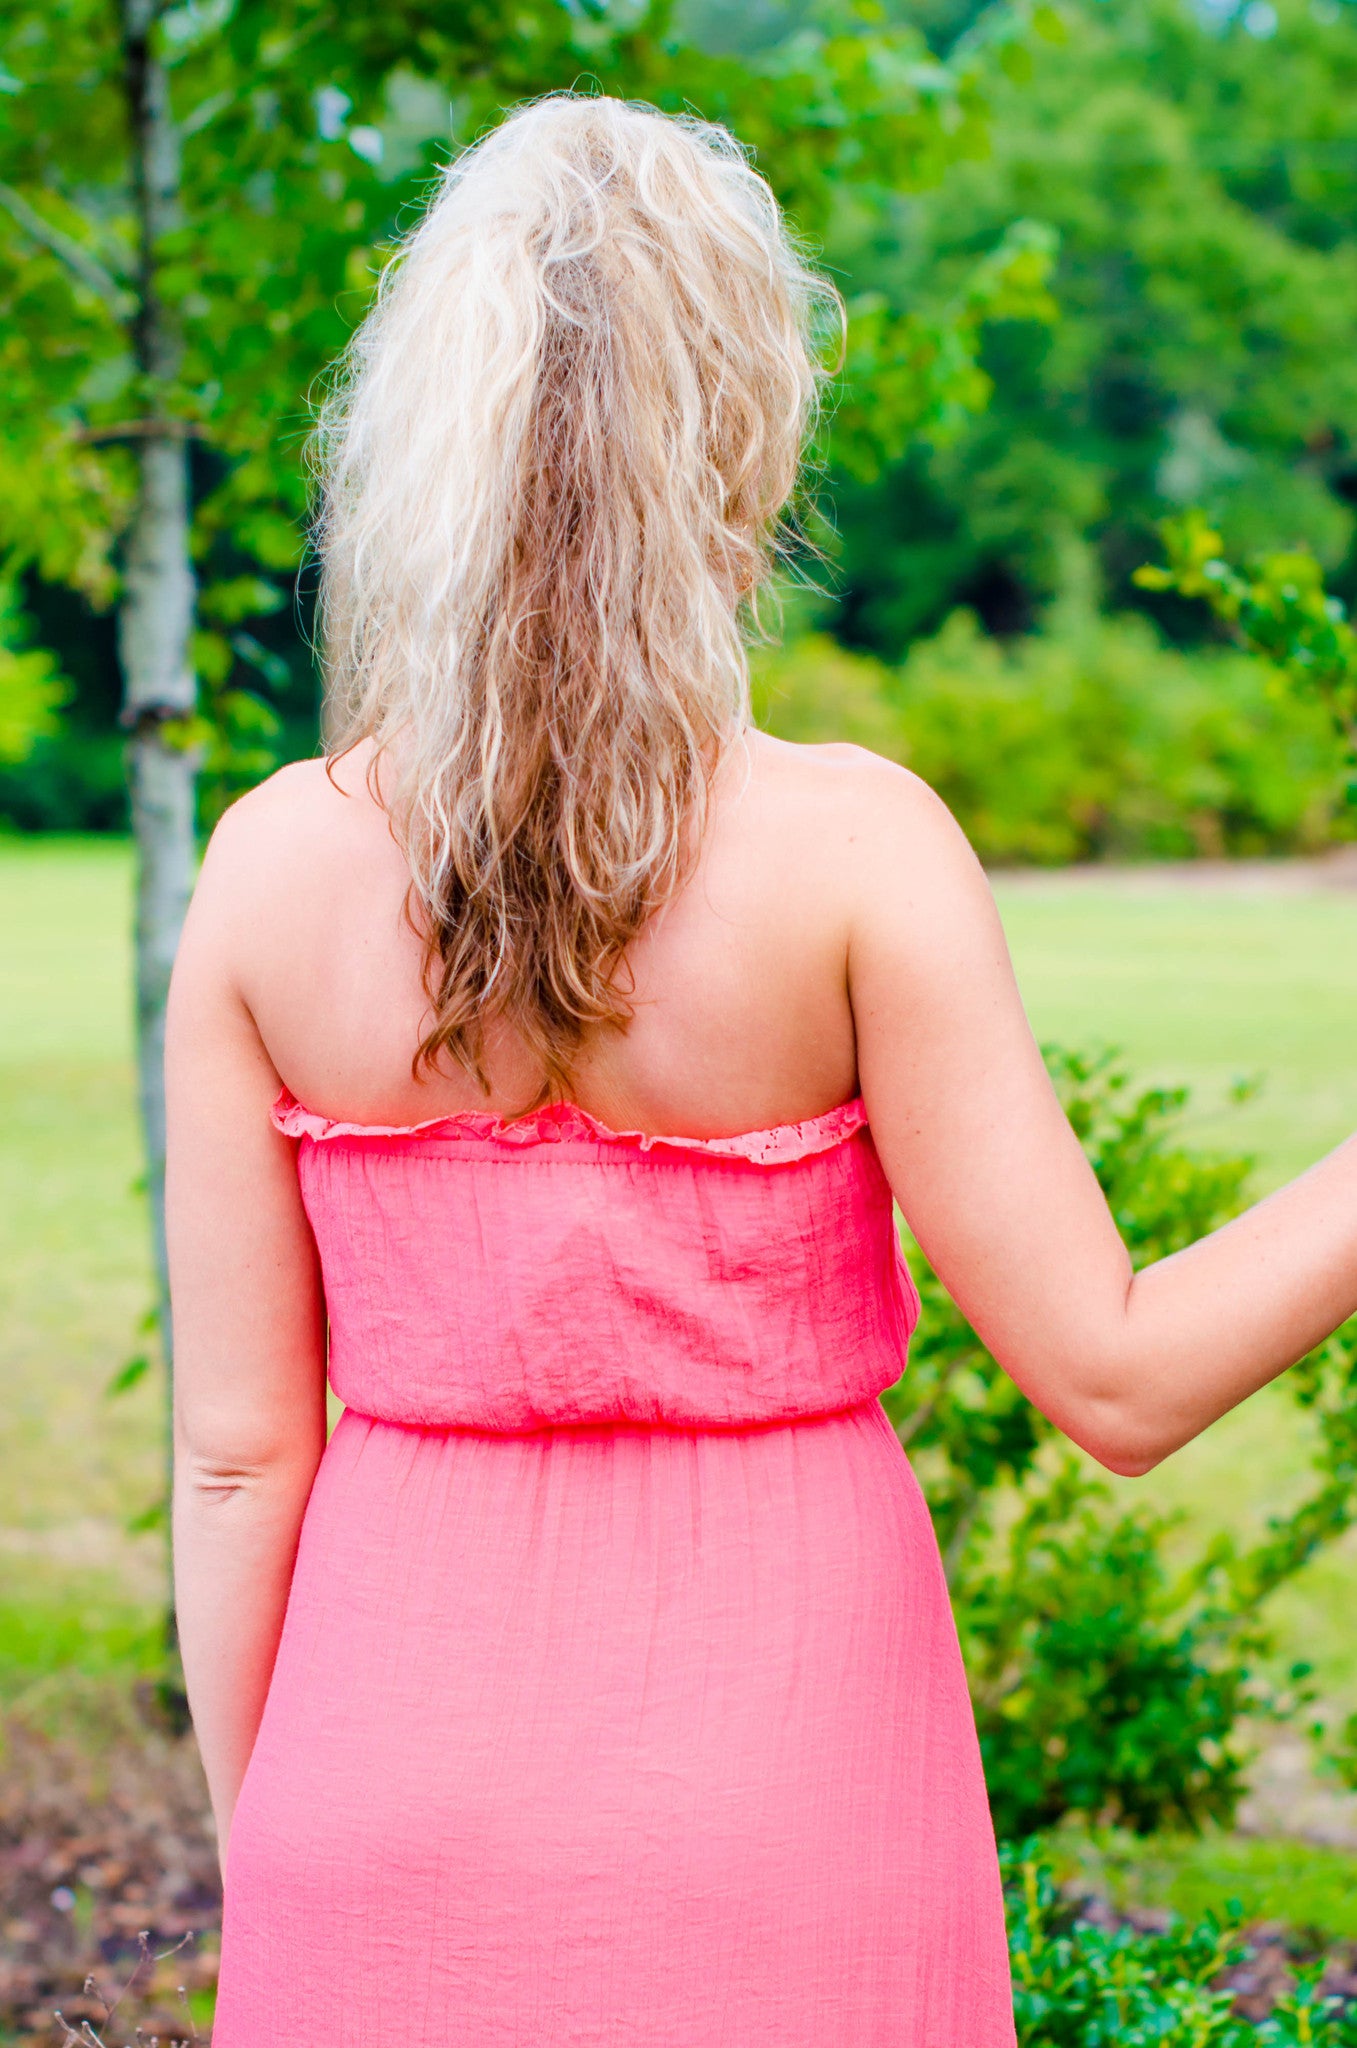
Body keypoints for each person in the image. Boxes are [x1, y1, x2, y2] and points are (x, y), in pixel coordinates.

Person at [165, 92, 1357, 2048]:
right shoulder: (852, 853)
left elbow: (232, 1459)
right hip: (787, 1814)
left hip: (371, 1817)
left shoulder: (267, 866)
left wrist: (274, 1848)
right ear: (745, 429)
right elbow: (1117, 1379)